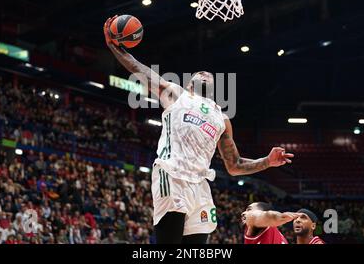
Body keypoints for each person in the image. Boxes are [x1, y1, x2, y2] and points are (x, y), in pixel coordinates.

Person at [104, 16, 295, 244]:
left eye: (208, 74)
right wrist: (115, 48)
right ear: (190, 84)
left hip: (200, 186)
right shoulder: (176, 95)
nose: (205, 73)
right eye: (198, 74)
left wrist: (267, 161)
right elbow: (140, 70)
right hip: (172, 174)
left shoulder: (222, 119)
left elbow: (234, 166)